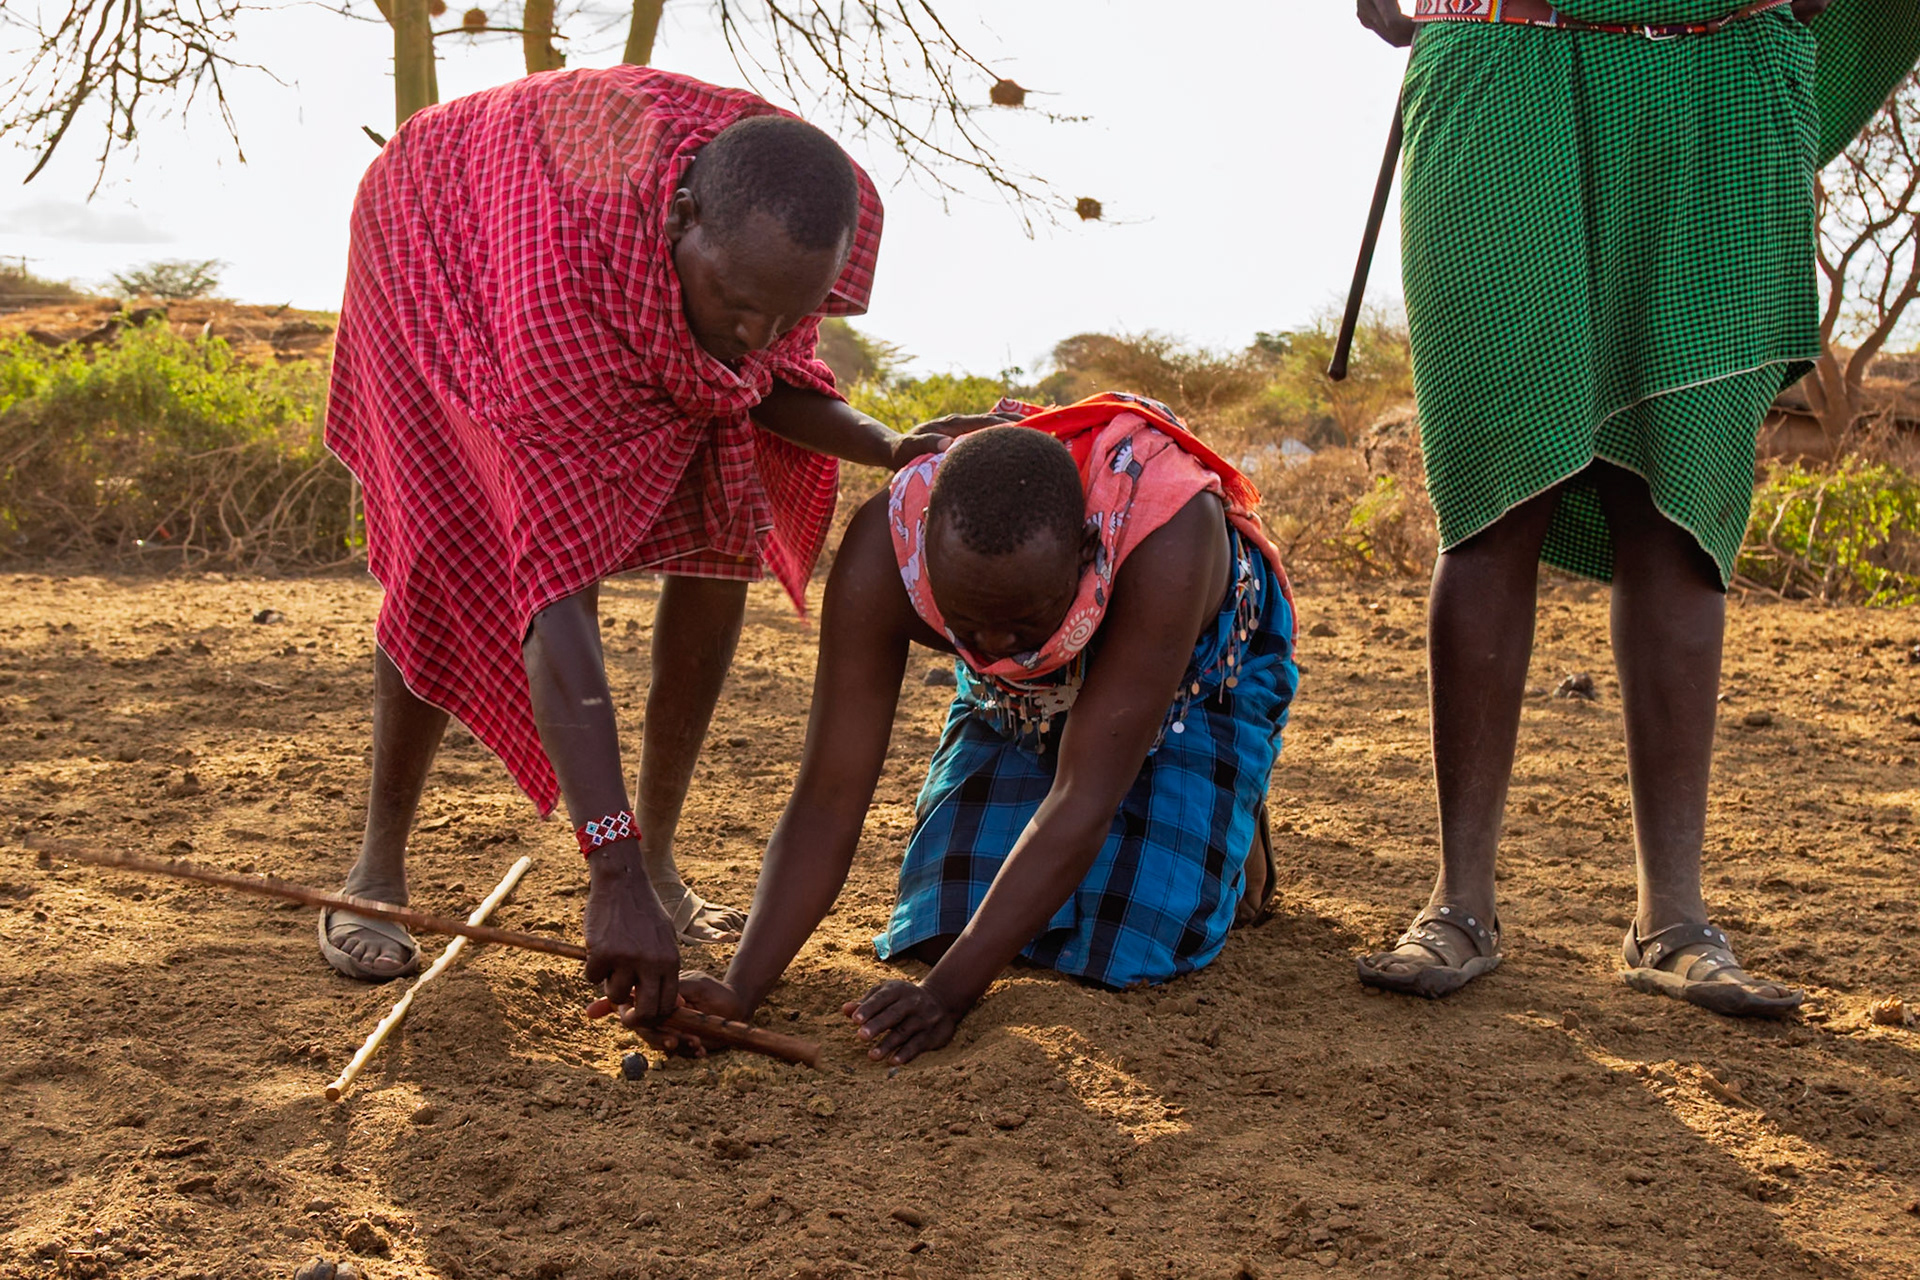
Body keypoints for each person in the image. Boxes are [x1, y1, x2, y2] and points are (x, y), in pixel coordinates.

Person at [321, 65, 992, 1021]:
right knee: (450, 540)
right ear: (680, 219)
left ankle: (664, 858)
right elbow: (554, 603)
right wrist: (608, 865)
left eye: (785, 315)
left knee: (724, 520)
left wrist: (890, 446)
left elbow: (765, 376)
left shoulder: (794, 226)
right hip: (439, 225)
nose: (756, 334)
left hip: (578, 222)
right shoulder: (556, 313)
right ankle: (378, 866)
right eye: (735, 302)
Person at [1350, 0, 1920, 1015]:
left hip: (1719, 64)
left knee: (1679, 504)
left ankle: (1674, 917)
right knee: (1487, 498)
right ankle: (1460, 901)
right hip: (1501, 56)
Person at [604, 394, 1299, 1064]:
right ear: (927, 559)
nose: (994, 645)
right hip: (1019, 704)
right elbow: (829, 793)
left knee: (1125, 951)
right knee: (943, 931)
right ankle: (1070, 721)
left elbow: (1082, 798)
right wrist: (741, 986)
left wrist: (945, 999)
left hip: (1191, 684)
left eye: (1020, 625)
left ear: (1085, 555)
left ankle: (1235, 826)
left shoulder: (1168, 537)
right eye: (967, 629)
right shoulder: (886, 551)